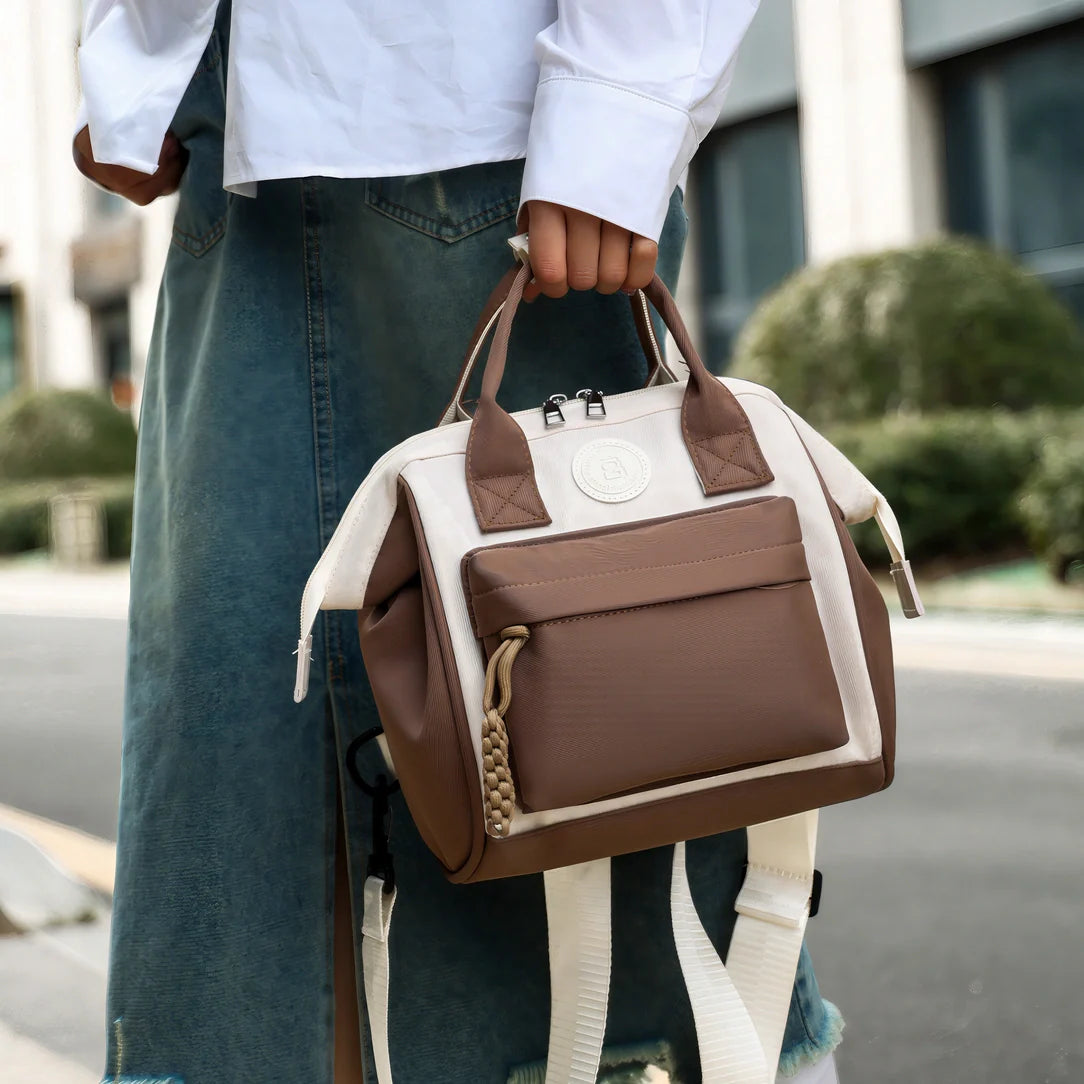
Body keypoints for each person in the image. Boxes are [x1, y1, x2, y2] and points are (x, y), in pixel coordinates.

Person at [75, 2, 844, 1081]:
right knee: (245, 793)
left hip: (497, 147)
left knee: (600, 737)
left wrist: (617, 103)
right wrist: (135, 59)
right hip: (235, 159)